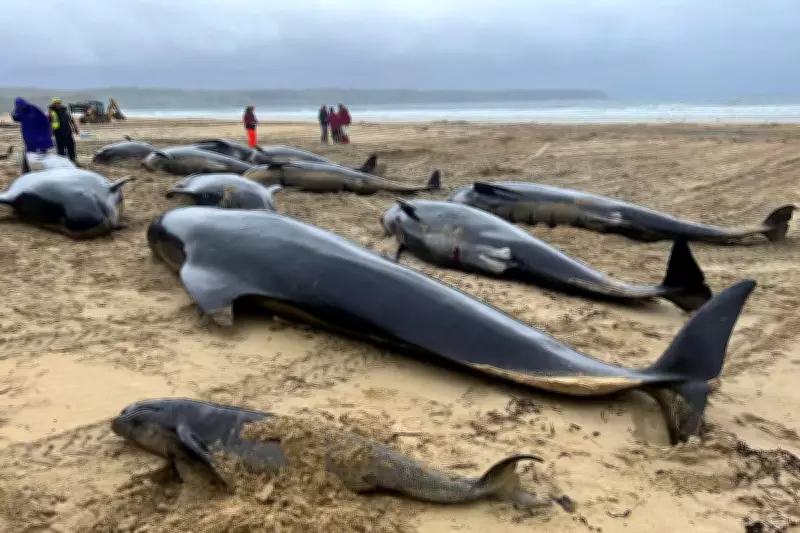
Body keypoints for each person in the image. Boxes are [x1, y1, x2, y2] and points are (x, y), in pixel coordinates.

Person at [48, 97, 79, 162]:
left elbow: (71, 119)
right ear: (53, 104)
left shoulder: (65, 110)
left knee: (71, 147)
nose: (57, 104)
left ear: (60, 103)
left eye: (58, 103)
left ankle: (73, 160)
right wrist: (49, 131)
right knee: (60, 149)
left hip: (67, 132)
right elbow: (48, 122)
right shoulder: (51, 111)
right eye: (55, 103)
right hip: (58, 133)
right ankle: (62, 162)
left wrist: (75, 128)